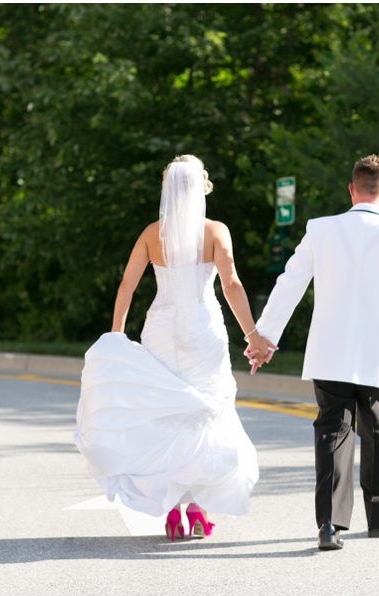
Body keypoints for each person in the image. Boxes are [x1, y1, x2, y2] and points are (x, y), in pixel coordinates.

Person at [247, 154, 379, 551]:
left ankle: (330, 526)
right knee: (375, 429)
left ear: (351, 189)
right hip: (378, 356)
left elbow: (289, 284)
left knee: (332, 433)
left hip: (330, 352)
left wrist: (263, 337)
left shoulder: (320, 230)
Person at [74, 155, 272, 541]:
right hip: (202, 327)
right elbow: (231, 285)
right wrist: (252, 335)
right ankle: (198, 506)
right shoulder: (216, 232)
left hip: (162, 329)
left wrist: (116, 334)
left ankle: (174, 511)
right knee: (206, 411)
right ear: (202, 187)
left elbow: (127, 286)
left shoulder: (153, 234)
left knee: (167, 412)